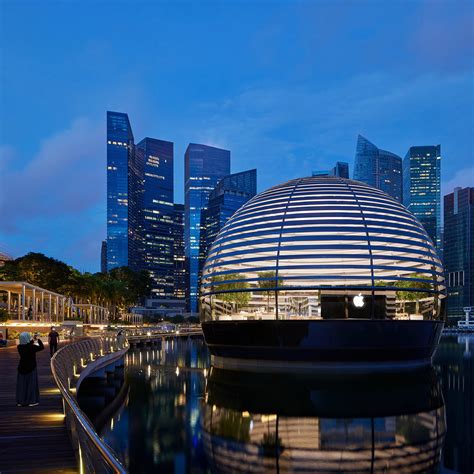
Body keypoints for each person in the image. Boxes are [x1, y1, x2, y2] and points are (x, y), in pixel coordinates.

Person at [16, 332, 44, 407]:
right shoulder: (32, 347)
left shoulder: (19, 347)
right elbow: (41, 347)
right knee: (31, 384)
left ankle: (21, 401)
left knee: (22, 385)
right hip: (31, 367)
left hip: (21, 367)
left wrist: (32, 340)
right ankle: (32, 401)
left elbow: (27, 344)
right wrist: (37, 339)